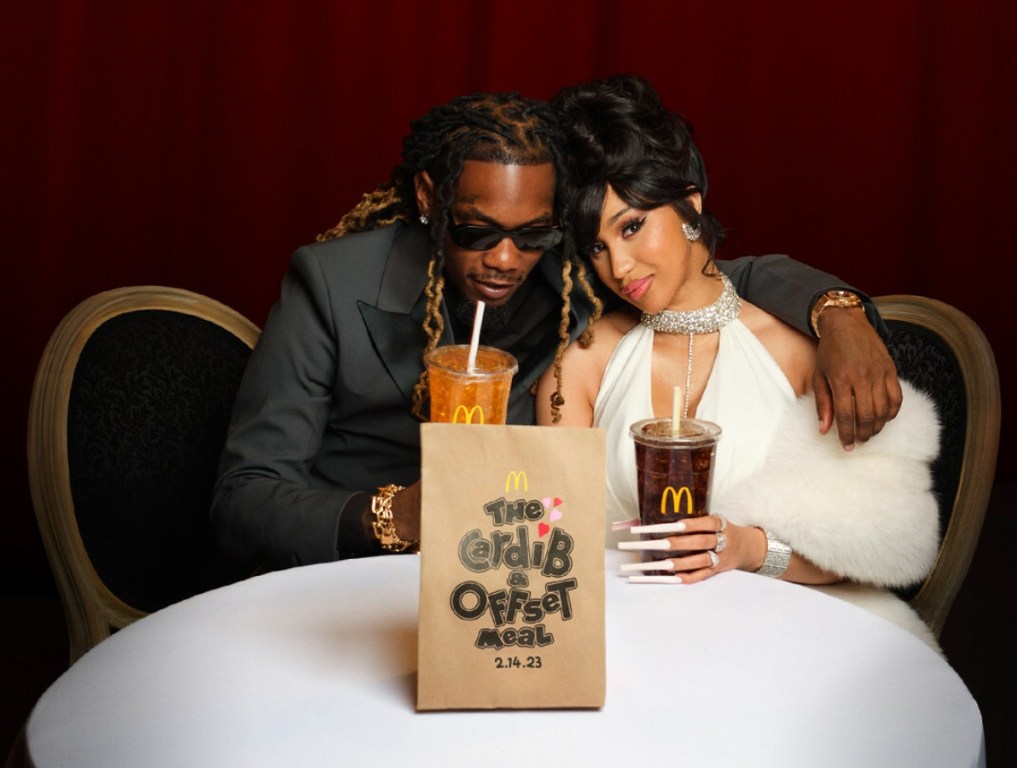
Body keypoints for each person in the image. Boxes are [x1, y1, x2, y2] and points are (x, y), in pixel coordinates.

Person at [211, 89, 901, 573]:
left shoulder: (571, 266)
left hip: (504, 590)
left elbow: (704, 270)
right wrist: (396, 517)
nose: (506, 259)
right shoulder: (332, 282)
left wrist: (835, 309)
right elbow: (244, 498)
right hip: (349, 579)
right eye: (476, 231)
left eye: (533, 233)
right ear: (429, 199)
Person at [537, 74, 940, 651]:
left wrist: (750, 549)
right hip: (624, 640)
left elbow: (882, 543)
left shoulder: (797, 351)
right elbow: (558, 543)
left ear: (690, 204)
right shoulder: (579, 364)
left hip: (780, 637)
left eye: (631, 226)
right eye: (596, 246)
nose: (619, 267)